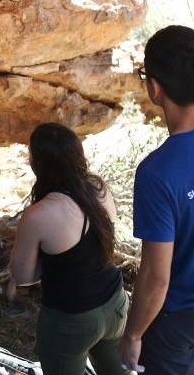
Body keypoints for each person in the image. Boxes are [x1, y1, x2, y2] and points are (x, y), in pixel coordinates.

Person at [10, 123, 128, 375]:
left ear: (38, 163)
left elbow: (22, 276)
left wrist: (55, 263)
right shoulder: (98, 188)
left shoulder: (39, 214)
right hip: (115, 303)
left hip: (72, 318)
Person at [118, 25, 194, 374]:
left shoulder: (157, 172)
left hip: (175, 323)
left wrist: (133, 334)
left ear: (154, 87)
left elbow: (156, 277)